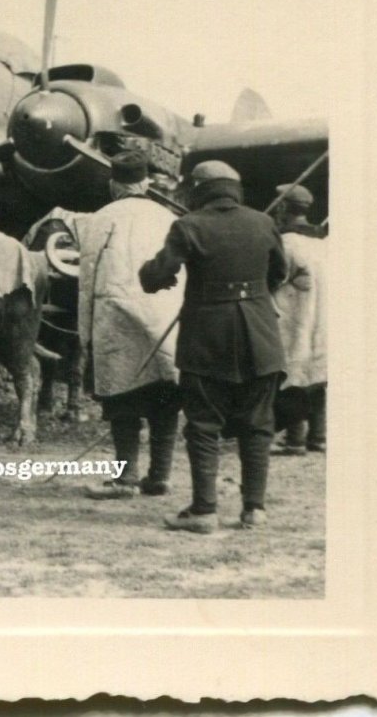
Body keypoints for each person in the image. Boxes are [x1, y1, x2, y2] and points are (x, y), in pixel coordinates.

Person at [139, 160, 287, 533]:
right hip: (261, 336)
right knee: (258, 424)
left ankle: (204, 511)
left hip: (207, 338)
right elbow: (279, 273)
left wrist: (154, 277)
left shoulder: (188, 225)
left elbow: (157, 275)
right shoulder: (264, 222)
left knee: (203, 423)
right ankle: (254, 509)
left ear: (199, 189)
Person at [59, 150, 184, 499]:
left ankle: (126, 476)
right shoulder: (168, 217)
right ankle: (159, 476)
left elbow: (87, 278)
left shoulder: (101, 219)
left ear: (114, 184)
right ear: (146, 182)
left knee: (122, 396)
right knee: (165, 395)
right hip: (162, 317)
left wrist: (85, 331)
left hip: (115, 317)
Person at [270, 184, 328, 454]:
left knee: (294, 375)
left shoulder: (287, 244)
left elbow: (273, 279)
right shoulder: (324, 244)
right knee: (318, 374)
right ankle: (318, 436)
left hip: (296, 318)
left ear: (282, 207)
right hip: (322, 319)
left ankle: (295, 438)